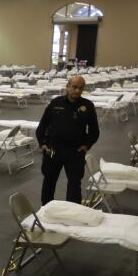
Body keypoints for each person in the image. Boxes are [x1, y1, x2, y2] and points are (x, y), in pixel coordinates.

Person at [35, 75, 99, 205]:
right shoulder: (55, 103)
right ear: (67, 87)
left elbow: (94, 131)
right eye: (74, 87)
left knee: (74, 185)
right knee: (49, 182)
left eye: (80, 88)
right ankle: (46, 210)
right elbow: (42, 126)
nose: (77, 91)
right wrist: (42, 144)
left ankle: (73, 213)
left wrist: (87, 146)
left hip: (75, 151)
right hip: (53, 150)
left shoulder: (87, 106)